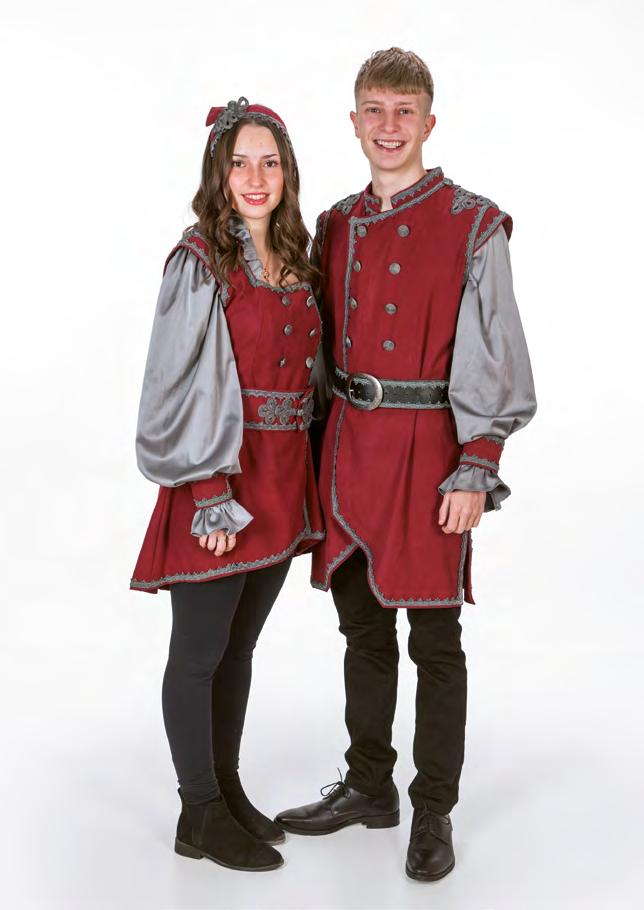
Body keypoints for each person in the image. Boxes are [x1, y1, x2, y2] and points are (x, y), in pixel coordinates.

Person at [275, 48, 537, 882]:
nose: (389, 127)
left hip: (429, 456)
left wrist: (477, 463)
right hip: (348, 450)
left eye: (404, 112)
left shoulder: (472, 222)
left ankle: (433, 809)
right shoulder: (334, 224)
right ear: (355, 122)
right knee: (361, 630)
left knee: (435, 639)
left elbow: (497, 347)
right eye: (375, 111)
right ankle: (369, 786)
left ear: (429, 121)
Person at [130, 97, 324, 872]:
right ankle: (198, 812)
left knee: (238, 650)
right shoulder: (199, 261)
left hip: (280, 483)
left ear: (287, 173)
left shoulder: (297, 260)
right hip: (220, 484)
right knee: (199, 652)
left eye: (269, 162)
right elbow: (173, 388)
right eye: (239, 162)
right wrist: (210, 493)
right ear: (218, 172)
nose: (255, 176)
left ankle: (226, 788)